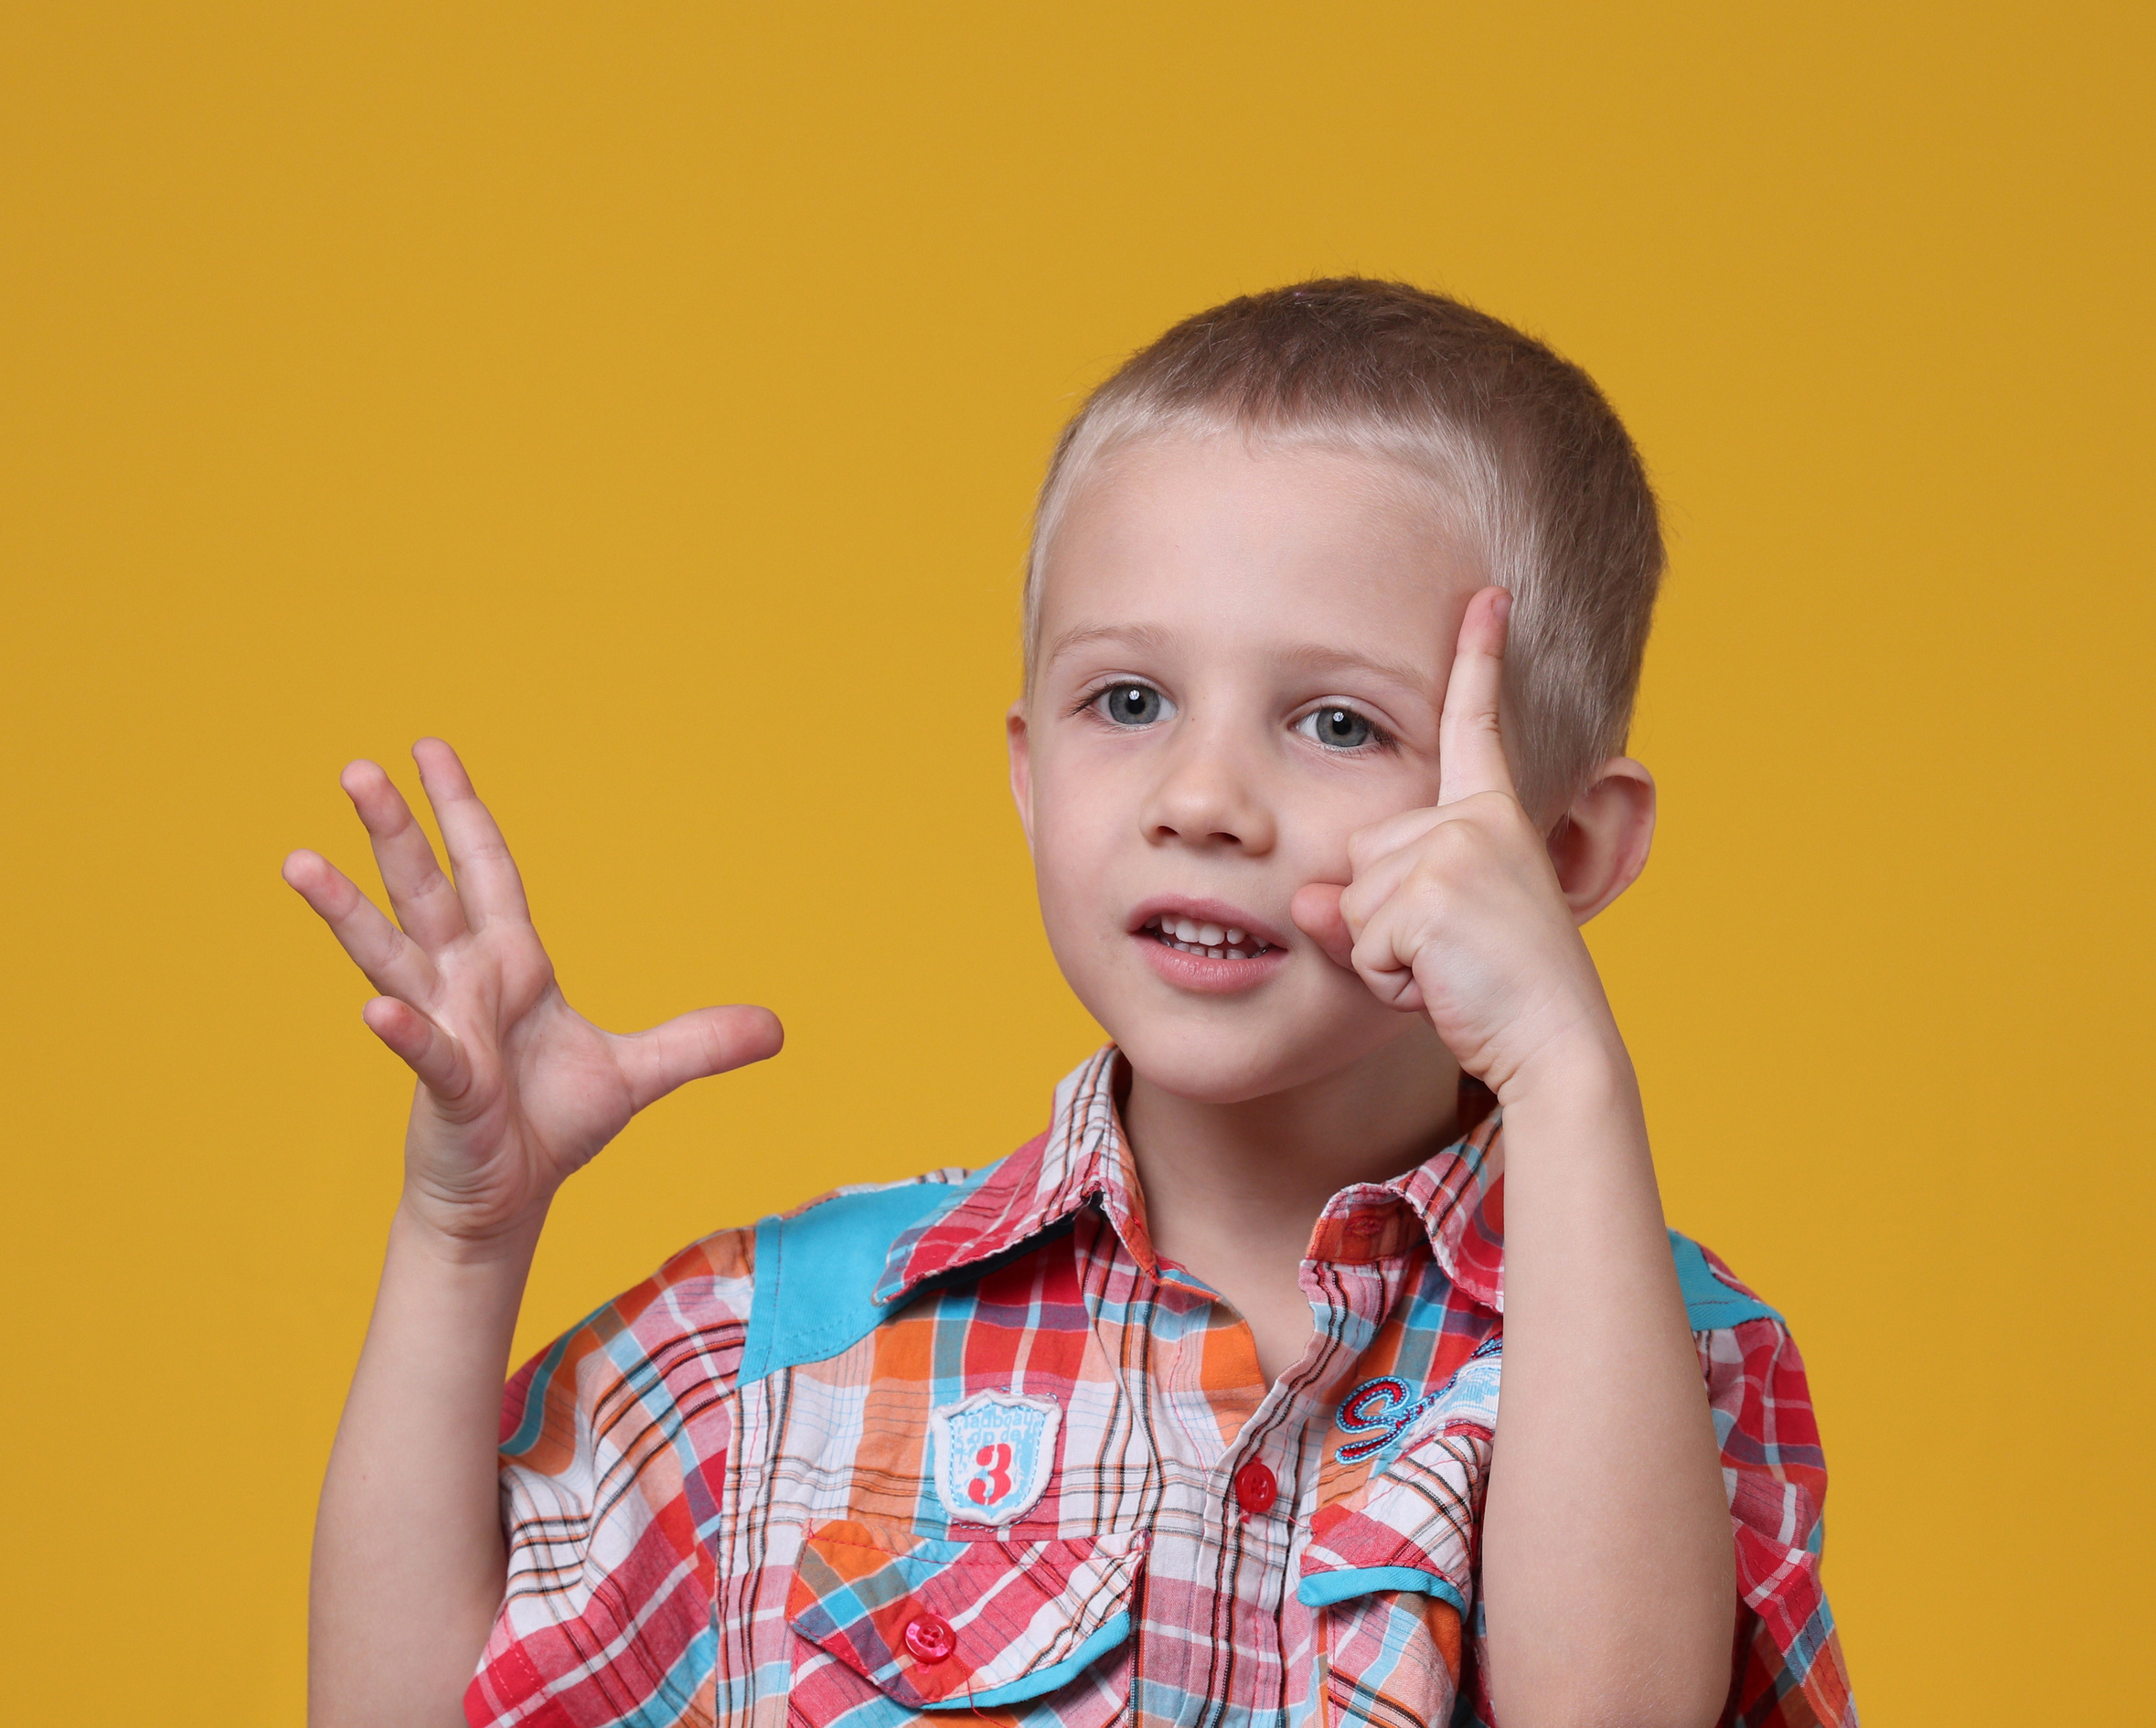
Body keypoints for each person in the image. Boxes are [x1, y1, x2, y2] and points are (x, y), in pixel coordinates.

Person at [287, 280, 1853, 1728]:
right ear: (1030, 774)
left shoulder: (1670, 1362)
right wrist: (463, 1239)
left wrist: (1568, 1067)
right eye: (1131, 701)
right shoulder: (784, 1344)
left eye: (1334, 721)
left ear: (1563, 847)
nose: (1204, 797)